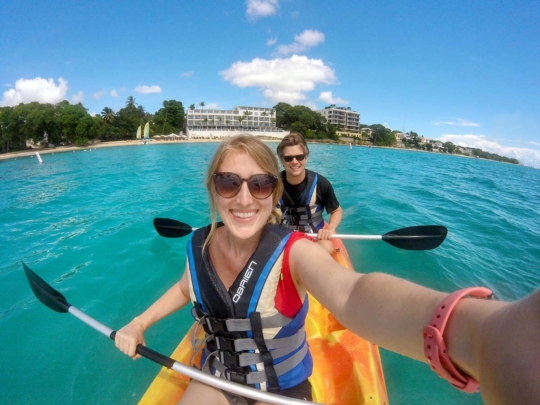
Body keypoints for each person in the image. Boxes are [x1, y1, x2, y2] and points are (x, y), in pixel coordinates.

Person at [115, 134, 539, 405]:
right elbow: (187, 288)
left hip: (279, 390)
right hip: (216, 378)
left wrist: (475, 334)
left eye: (260, 185)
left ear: (273, 190)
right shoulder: (199, 246)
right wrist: (139, 322)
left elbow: (353, 295)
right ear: (213, 188)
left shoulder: (294, 251)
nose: (245, 198)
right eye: (229, 183)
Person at [276, 133, 342, 254]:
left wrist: (331, 228)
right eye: (288, 158)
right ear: (281, 160)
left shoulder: (321, 184)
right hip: (282, 238)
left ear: (306, 157)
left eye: (299, 157)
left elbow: (336, 210)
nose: (295, 162)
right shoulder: (272, 184)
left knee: (327, 247)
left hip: (315, 237)